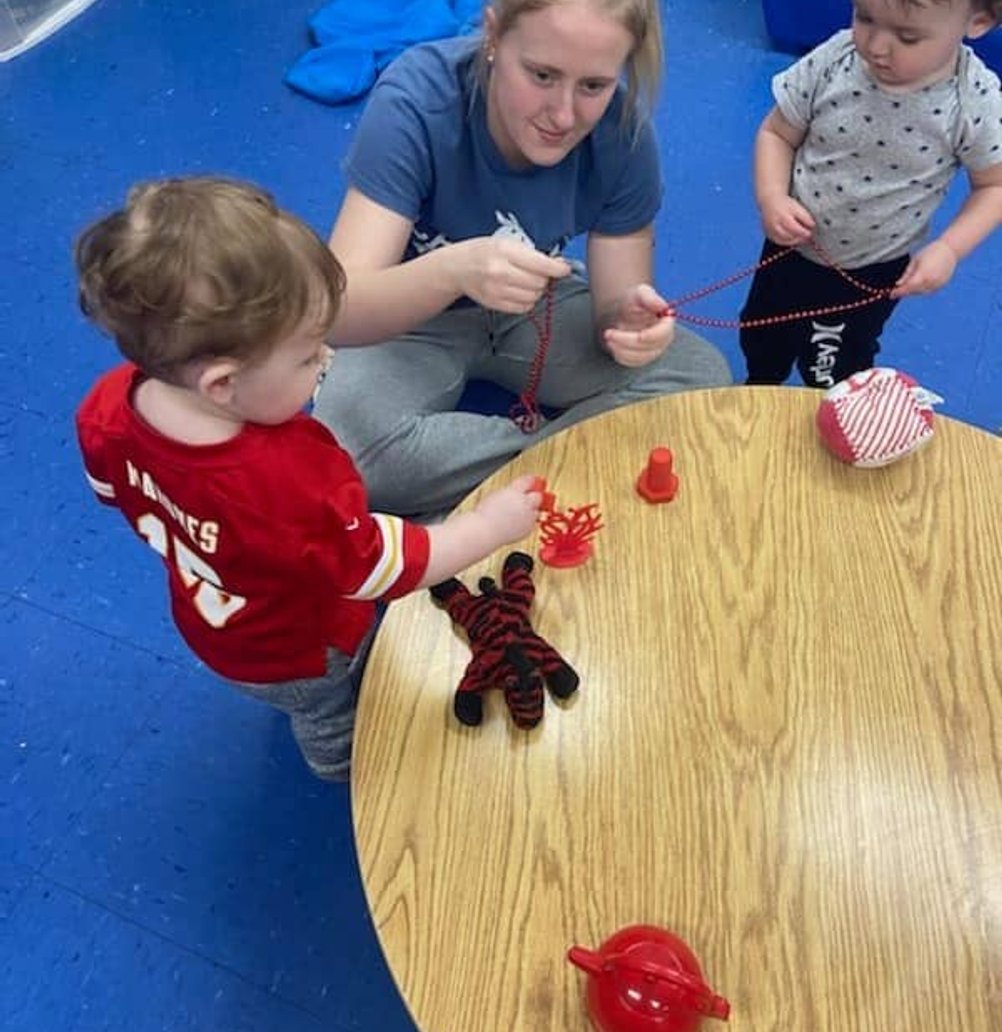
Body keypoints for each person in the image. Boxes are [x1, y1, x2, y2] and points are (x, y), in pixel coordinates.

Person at [74, 176, 543, 782]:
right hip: (302, 651)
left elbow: (111, 489)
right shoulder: (288, 479)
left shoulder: (109, 404)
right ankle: (341, 764)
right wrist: (488, 526)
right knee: (326, 713)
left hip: (213, 624)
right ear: (222, 384)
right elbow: (379, 568)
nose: (326, 359)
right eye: (306, 355)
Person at [311, 0, 732, 521]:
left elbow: (616, 306)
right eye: (541, 75)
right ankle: (573, 458)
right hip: (410, 320)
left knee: (698, 373)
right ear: (493, 36)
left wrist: (629, 326)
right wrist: (454, 271)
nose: (563, 115)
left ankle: (504, 485)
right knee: (343, 451)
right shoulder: (417, 101)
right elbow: (339, 310)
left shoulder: (623, 135)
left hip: (534, 305)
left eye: (594, 86)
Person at [740, 0, 1002, 388]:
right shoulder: (836, 58)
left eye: (907, 37)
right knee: (762, 333)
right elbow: (776, 133)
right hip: (789, 245)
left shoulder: (972, 101)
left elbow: (994, 186)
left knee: (833, 367)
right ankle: (761, 385)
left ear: (977, 21)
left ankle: (832, 406)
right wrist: (772, 197)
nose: (876, 46)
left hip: (872, 265)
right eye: (865, 17)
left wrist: (949, 249)